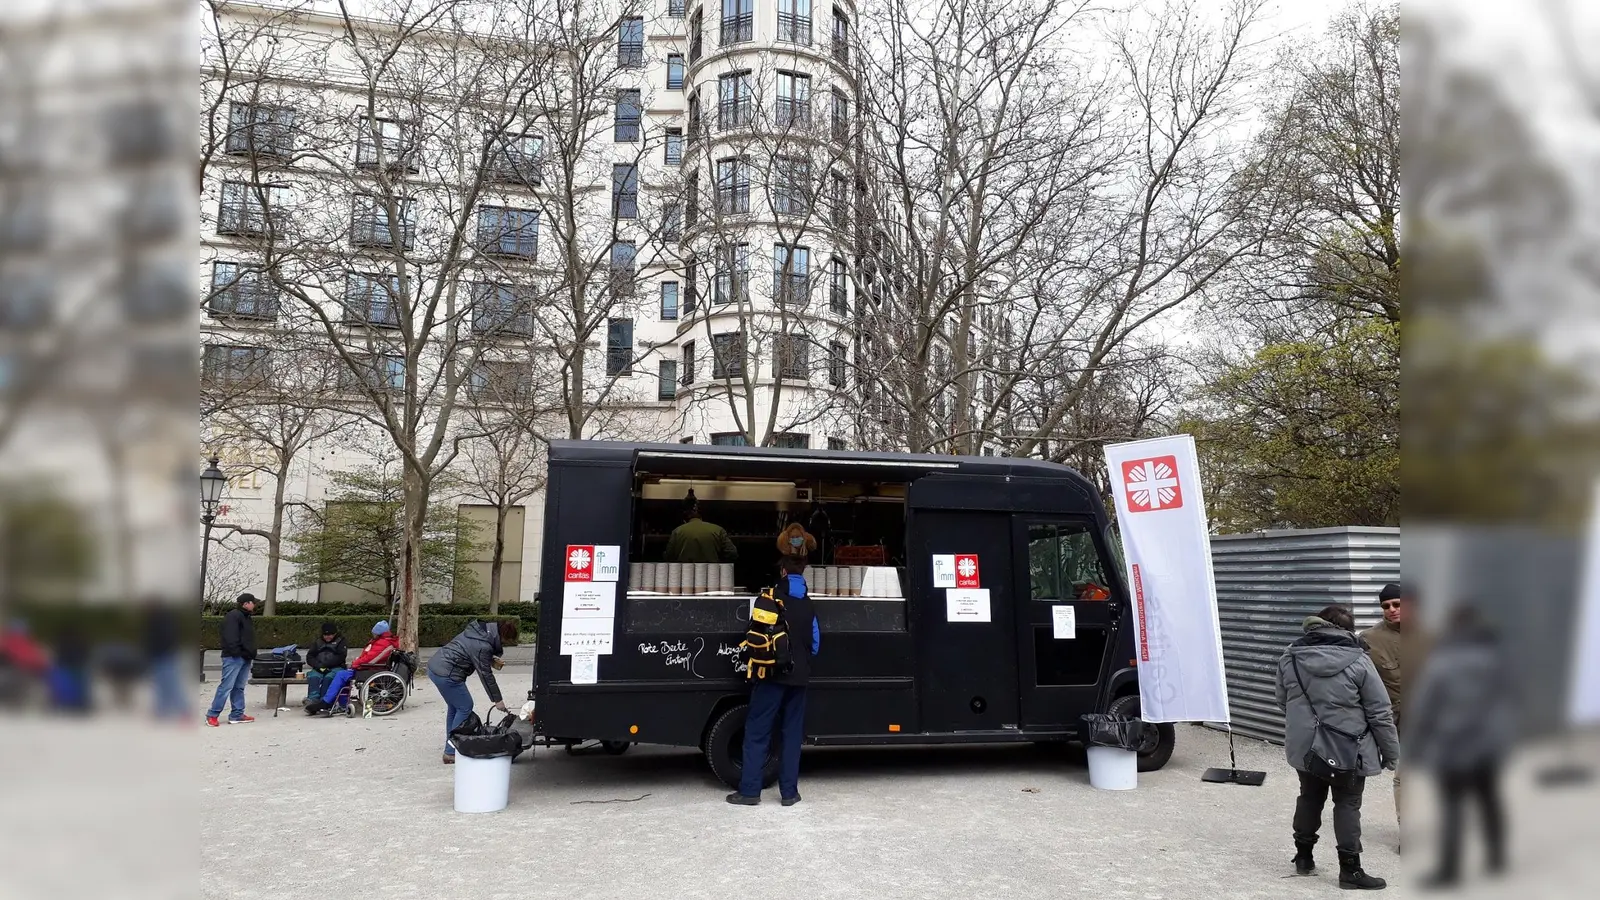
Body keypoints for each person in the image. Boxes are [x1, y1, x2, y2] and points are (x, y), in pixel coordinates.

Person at [1276, 604, 1400, 890]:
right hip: (1349, 748)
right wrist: (1391, 753)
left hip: (1305, 746)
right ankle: (1350, 871)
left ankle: (1304, 857)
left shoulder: (1290, 657)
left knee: (1309, 797)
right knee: (1347, 803)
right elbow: (1379, 712)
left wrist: (1308, 725)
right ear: (1348, 630)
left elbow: (1283, 701)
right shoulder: (1359, 661)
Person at [1410, 606, 1515, 888]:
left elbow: (1424, 709)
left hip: (1452, 746)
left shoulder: (1442, 663)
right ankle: (1497, 857)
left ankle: (1449, 871)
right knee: (1489, 799)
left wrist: (1415, 748)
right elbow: (1511, 700)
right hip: (1488, 746)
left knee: (1452, 807)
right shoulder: (1498, 660)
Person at [727, 556, 819, 807]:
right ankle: (789, 794)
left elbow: (754, 635)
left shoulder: (769, 599)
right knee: (792, 734)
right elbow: (816, 645)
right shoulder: (809, 605)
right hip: (799, 678)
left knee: (758, 731)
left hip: (770, 676)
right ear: (803, 574)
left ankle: (749, 791)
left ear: (783, 572)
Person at [426, 619, 513, 764]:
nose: (504, 644)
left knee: (455, 707)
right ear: (502, 636)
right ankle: (450, 752)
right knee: (465, 706)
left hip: (435, 667)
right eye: (506, 641)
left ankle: (451, 746)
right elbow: (486, 675)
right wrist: (497, 700)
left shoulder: (477, 632)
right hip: (447, 674)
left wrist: (489, 658)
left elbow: (470, 650)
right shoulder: (483, 646)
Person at [1361, 583, 1407, 831]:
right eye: (1386, 606)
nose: (1391, 609)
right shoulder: (1370, 639)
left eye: (1397, 604)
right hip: (1398, 721)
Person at [306, 621, 397, 715]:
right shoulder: (384, 642)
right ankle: (342, 703)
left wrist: (355, 664)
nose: (372, 634)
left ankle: (326, 702)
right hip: (369, 668)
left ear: (378, 633)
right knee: (341, 675)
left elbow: (369, 659)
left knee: (341, 674)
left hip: (368, 670)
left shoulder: (382, 643)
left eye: (374, 633)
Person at [206, 592, 259, 726]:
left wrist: (249, 653)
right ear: (246, 604)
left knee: (239, 687)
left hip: (244, 656)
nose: (255, 605)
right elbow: (230, 637)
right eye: (253, 602)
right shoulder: (233, 616)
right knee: (226, 686)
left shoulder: (246, 617)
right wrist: (237, 652)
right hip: (234, 657)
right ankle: (212, 715)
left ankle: (237, 714)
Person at [143, 601, 187, 721]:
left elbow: (160, 639)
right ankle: (163, 710)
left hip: (163, 655)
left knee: (169, 684)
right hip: (162, 655)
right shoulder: (163, 620)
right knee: (163, 685)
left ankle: (182, 710)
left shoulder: (159, 621)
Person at [664, 502, 737, 564]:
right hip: (711, 572)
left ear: (684, 520)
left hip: (686, 572)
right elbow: (732, 553)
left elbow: (668, 556)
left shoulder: (677, 531)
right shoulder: (718, 530)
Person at [303, 621, 348, 705]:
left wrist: (326, 665)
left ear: (335, 634)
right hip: (319, 667)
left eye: (330, 635)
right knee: (313, 676)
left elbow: (341, 656)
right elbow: (310, 656)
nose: (327, 637)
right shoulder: (318, 641)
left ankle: (325, 700)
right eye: (325, 635)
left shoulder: (341, 641)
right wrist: (318, 665)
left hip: (336, 667)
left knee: (329, 677)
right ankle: (312, 699)